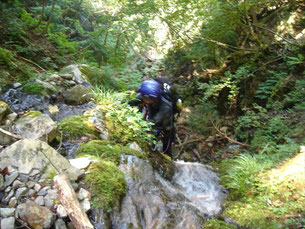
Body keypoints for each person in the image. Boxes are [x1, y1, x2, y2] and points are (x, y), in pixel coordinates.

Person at [129, 77, 180, 157]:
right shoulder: (146, 95)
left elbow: (158, 117)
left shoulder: (166, 105)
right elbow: (135, 101)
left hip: (166, 114)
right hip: (155, 107)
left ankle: (168, 154)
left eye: (147, 99)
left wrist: (147, 125)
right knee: (152, 124)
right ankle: (150, 149)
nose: (145, 100)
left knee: (167, 130)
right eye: (144, 98)